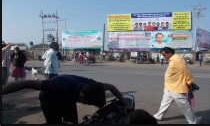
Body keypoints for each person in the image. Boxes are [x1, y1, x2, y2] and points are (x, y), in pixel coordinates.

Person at [2, 74, 133, 124]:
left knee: (72, 122)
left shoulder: (92, 85)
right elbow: (28, 83)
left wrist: (124, 103)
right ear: (82, 97)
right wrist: (3, 91)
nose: (86, 105)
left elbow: (111, 87)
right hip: (50, 101)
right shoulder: (59, 85)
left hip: (68, 100)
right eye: (87, 103)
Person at [153, 47, 198, 124]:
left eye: (164, 55)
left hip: (177, 88)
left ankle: (193, 122)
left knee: (185, 107)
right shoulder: (172, 60)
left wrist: (190, 83)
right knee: (164, 103)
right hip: (169, 87)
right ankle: (158, 116)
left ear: (170, 53)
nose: (164, 57)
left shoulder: (177, 60)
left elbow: (186, 72)